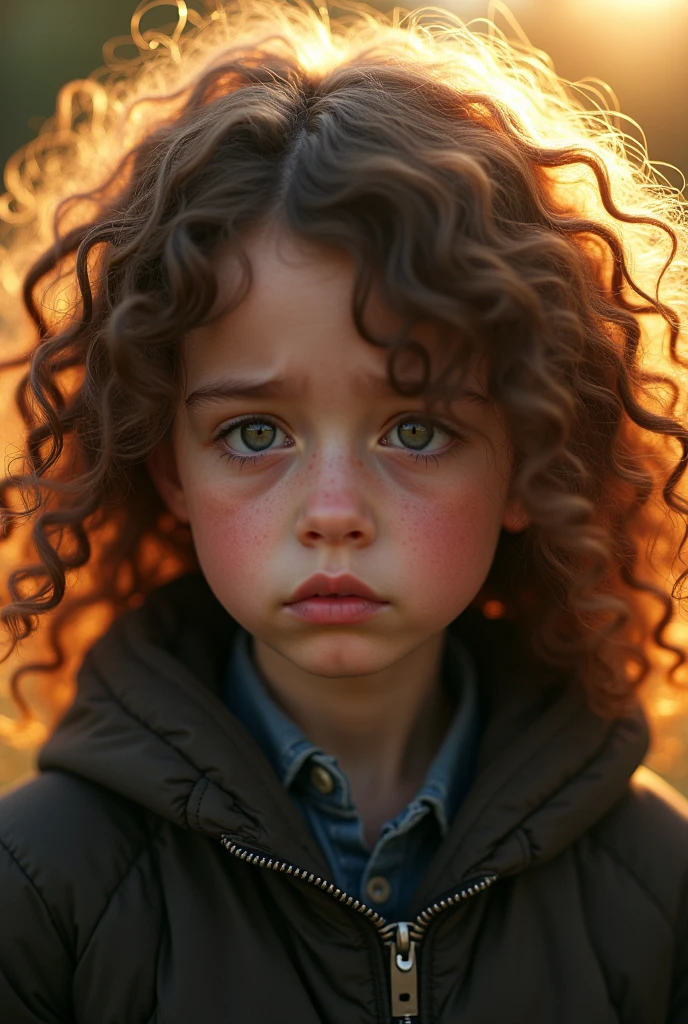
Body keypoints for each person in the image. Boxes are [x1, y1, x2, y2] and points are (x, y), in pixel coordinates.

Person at [0, 1, 686, 1020]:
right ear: (169, 468)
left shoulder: (655, 886)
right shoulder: (38, 882)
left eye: (414, 430)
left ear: (529, 458)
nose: (332, 513)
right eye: (254, 433)